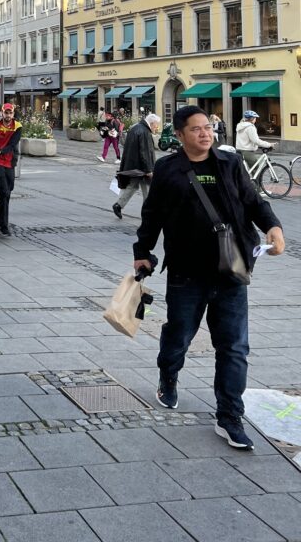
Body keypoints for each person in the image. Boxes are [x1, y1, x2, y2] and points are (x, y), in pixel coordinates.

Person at [133, 105, 285, 449]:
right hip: (187, 273)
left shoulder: (230, 164)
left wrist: (273, 227)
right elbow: (152, 214)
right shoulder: (168, 169)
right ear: (181, 134)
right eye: (197, 129)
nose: (206, 133)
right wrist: (142, 252)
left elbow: (254, 202)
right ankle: (168, 375)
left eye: (208, 128)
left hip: (231, 271)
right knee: (180, 335)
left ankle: (229, 416)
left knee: (233, 347)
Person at [112, 112, 160, 217]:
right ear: (151, 123)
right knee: (147, 190)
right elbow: (145, 152)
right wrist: (148, 170)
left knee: (132, 186)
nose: (157, 128)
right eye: (156, 125)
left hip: (134, 166)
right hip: (142, 168)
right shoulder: (145, 132)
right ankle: (148, 215)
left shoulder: (136, 128)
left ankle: (118, 205)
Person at [0, 102, 21, 236]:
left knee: (7, 192)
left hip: (9, 161)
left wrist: (1, 151)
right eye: (6, 113)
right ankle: (3, 225)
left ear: (13, 114)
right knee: (4, 192)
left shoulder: (17, 127)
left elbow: (13, 144)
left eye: (10, 113)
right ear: (2, 113)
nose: (8, 115)